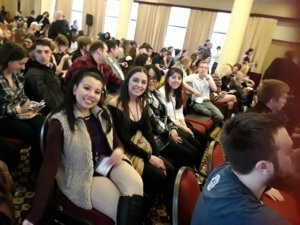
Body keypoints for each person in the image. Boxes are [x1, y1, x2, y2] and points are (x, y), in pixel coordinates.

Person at [22, 68, 144, 225]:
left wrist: (119, 150)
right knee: (121, 206)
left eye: (97, 91)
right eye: (86, 88)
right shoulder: (60, 122)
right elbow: (48, 167)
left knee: (136, 185)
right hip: (83, 174)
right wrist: (35, 214)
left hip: (107, 163)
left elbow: (115, 140)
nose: (92, 95)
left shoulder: (102, 112)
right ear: (74, 89)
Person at [191, 113, 295, 225]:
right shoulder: (262, 220)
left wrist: (265, 186)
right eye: (289, 152)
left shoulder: (223, 169)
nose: (294, 155)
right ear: (263, 167)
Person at [108, 66, 175, 216]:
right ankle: (142, 211)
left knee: (169, 168)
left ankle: (165, 209)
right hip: (125, 151)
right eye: (135, 80)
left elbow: (148, 132)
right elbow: (123, 141)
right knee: (159, 176)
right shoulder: (114, 104)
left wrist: (157, 156)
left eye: (143, 82)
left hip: (139, 145)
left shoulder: (143, 102)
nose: (139, 85)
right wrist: (149, 157)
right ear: (127, 81)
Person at [146, 65, 207, 170]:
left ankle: (194, 170)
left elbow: (178, 114)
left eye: (179, 78)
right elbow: (160, 122)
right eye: (173, 77)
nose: (176, 80)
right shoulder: (160, 92)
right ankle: (185, 178)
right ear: (167, 78)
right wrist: (175, 129)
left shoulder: (159, 93)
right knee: (191, 151)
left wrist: (180, 127)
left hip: (171, 126)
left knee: (201, 140)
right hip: (163, 133)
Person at [0, 42, 44, 174]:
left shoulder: (17, 75)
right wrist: (18, 110)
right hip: (3, 118)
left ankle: (40, 168)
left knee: (44, 124)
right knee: (32, 132)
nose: (23, 67)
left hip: (18, 113)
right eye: (20, 63)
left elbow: (22, 97)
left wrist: (30, 104)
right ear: (9, 61)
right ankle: (35, 171)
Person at [24, 38, 63, 114]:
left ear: (51, 53)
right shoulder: (33, 74)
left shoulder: (47, 68)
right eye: (39, 52)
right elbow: (47, 101)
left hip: (58, 108)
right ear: (33, 54)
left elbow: (56, 91)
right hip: (48, 113)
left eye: (46, 52)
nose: (43, 55)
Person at [183, 61, 224, 125]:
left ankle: (212, 129)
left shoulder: (209, 77)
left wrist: (207, 77)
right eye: (201, 67)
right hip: (196, 102)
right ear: (198, 69)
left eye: (206, 68)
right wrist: (193, 90)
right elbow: (182, 81)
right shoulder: (193, 76)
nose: (203, 69)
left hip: (207, 102)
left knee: (220, 116)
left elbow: (215, 89)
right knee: (208, 113)